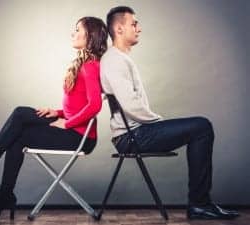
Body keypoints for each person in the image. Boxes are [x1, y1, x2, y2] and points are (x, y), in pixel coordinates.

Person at [0, 16, 108, 220]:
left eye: (77, 30)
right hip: (73, 129)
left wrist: (68, 122)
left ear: (90, 36)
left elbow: (95, 106)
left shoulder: (90, 66)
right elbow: (80, 105)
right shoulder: (84, 64)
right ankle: (3, 194)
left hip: (80, 137)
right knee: (18, 134)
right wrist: (58, 113)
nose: (72, 33)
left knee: (20, 114)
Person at [100, 6, 239, 220]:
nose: (139, 28)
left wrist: (156, 124)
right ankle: (200, 204)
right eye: (134, 23)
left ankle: (200, 204)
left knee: (201, 127)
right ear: (119, 29)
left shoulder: (118, 58)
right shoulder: (114, 60)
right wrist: (158, 122)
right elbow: (130, 105)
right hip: (132, 136)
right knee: (202, 127)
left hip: (135, 133)